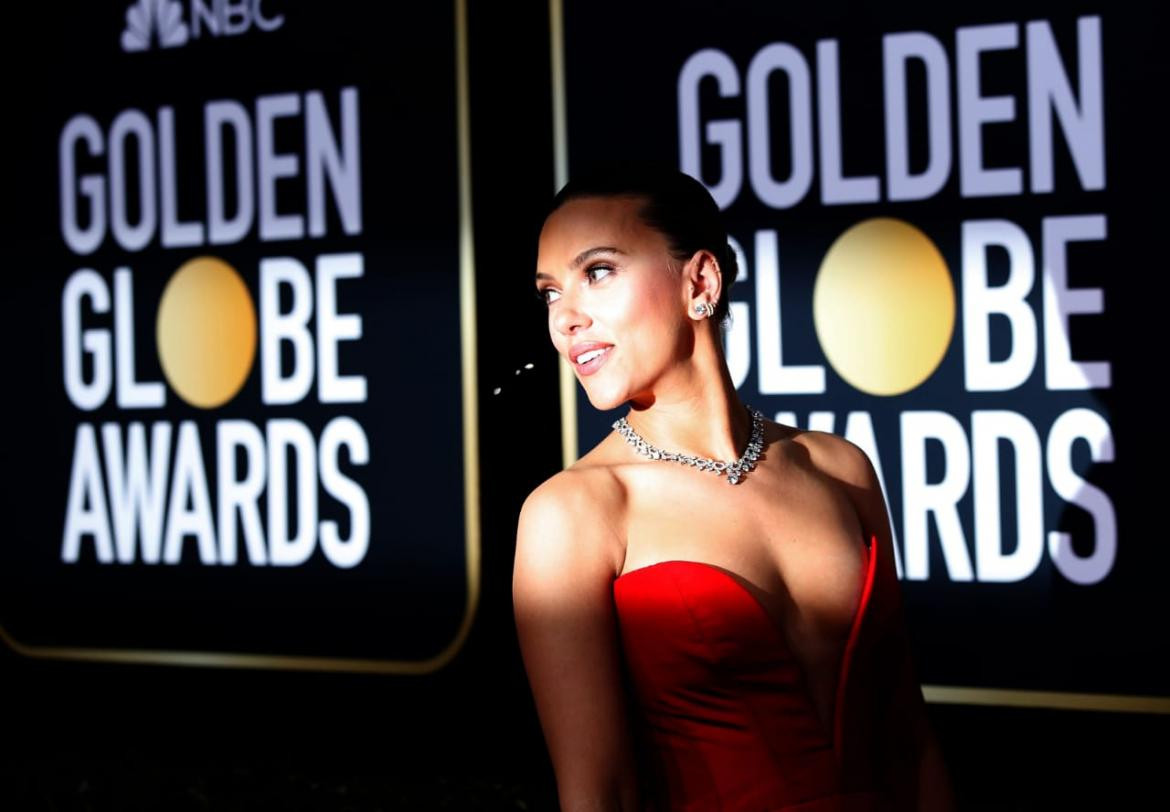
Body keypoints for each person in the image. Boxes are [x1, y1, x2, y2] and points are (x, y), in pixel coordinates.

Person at [512, 164, 955, 811]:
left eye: (597, 272)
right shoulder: (575, 513)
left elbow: (911, 741)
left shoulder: (840, 468)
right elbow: (599, 792)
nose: (565, 319)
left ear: (701, 280)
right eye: (550, 293)